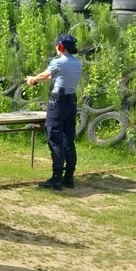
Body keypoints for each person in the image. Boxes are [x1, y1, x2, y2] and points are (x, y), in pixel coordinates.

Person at [25, 34, 82, 191]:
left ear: (61, 46)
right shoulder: (78, 63)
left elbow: (45, 75)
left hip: (57, 104)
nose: (56, 48)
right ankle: (68, 177)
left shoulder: (58, 61)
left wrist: (32, 80)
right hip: (71, 103)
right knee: (68, 140)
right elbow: (53, 76)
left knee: (55, 138)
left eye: (57, 45)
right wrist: (35, 78)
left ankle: (56, 178)